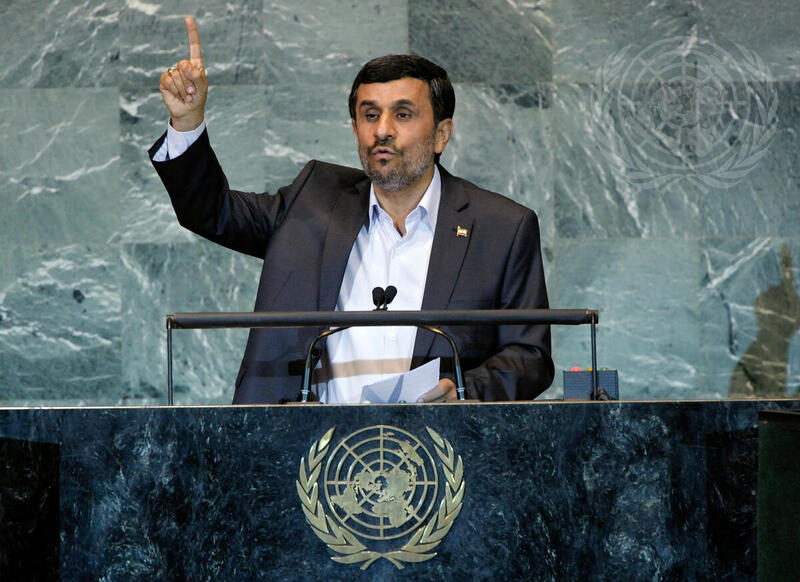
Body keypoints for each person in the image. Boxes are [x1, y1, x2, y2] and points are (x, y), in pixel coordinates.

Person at [150, 18, 554, 404]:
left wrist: (463, 392)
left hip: (435, 444)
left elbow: (530, 355)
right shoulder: (313, 202)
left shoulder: (501, 227)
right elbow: (212, 211)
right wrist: (187, 122)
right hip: (308, 443)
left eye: (403, 114)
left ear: (441, 134)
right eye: (370, 115)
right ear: (355, 129)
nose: (382, 130)